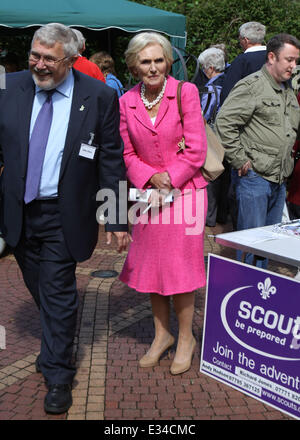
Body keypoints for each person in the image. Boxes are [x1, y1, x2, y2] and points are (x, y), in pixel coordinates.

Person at [0, 23, 130, 414]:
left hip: (64, 213)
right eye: (34, 55)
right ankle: (58, 335)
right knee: (42, 288)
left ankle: (58, 373)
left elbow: (111, 159)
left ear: (72, 60)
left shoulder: (99, 96)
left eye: (48, 59)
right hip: (18, 212)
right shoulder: (10, 86)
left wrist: (118, 217)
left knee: (56, 292)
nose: (38, 64)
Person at [118, 32, 208, 375]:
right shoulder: (126, 101)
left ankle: (186, 338)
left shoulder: (186, 92)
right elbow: (126, 152)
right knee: (152, 267)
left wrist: (167, 178)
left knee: (181, 269)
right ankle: (161, 335)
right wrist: (148, 178)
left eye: (159, 60)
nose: (153, 67)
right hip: (147, 195)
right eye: (145, 61)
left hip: (185, 192)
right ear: (134, 66)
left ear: (168, 61)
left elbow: (197, 149)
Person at [215, 33, 300, 268]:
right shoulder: (252, 86)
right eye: (289, 60)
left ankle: (259, 292)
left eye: (296, 61)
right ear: (271, 57)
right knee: (252, 244)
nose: (293, 66)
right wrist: (240, 160)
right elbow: (224, 123)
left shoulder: (287, 90)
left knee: (269, 243)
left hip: (279, 178)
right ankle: (246, 291)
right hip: (255, 178)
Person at [197, 47, 230, 227]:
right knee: (225, 177)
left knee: (211, 174)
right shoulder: (230, 82)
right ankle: (221, 215)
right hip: (228, 138)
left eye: (203, 67)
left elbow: (203, 114)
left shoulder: (211, 88)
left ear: (210, 68)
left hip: (213, 136)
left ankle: (209, 217)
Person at [220, 21, 267, 105]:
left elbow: (228, 93)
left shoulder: (242, 60)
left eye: (240, 39)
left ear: (246, 40)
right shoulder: (275, 57)